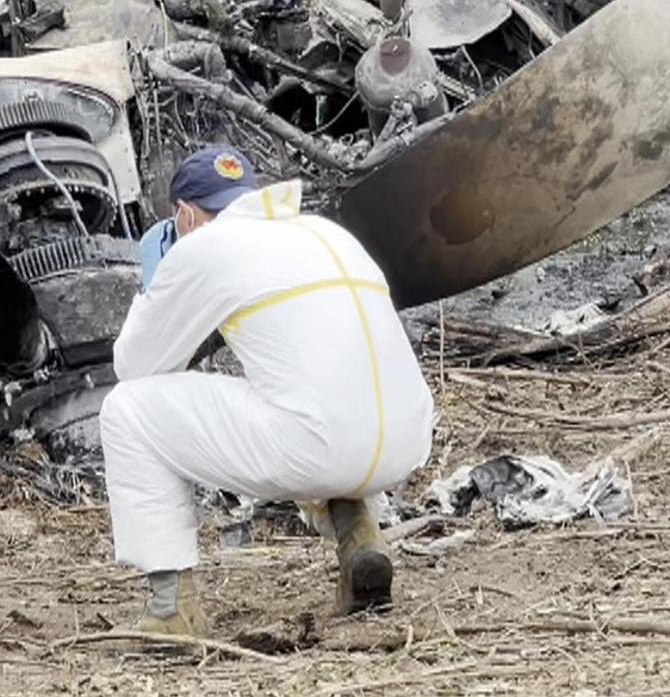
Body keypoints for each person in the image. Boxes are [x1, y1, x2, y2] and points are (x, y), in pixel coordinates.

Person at [101, 146, 436, 636]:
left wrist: (151, 287)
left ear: (185, 215)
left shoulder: (201, 245)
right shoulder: (324, 231)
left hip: (320, 447)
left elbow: (136, 367)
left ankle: (171, 610)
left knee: (126, 410)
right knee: (308, 395)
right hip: (405, 441)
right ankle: (360, 537)